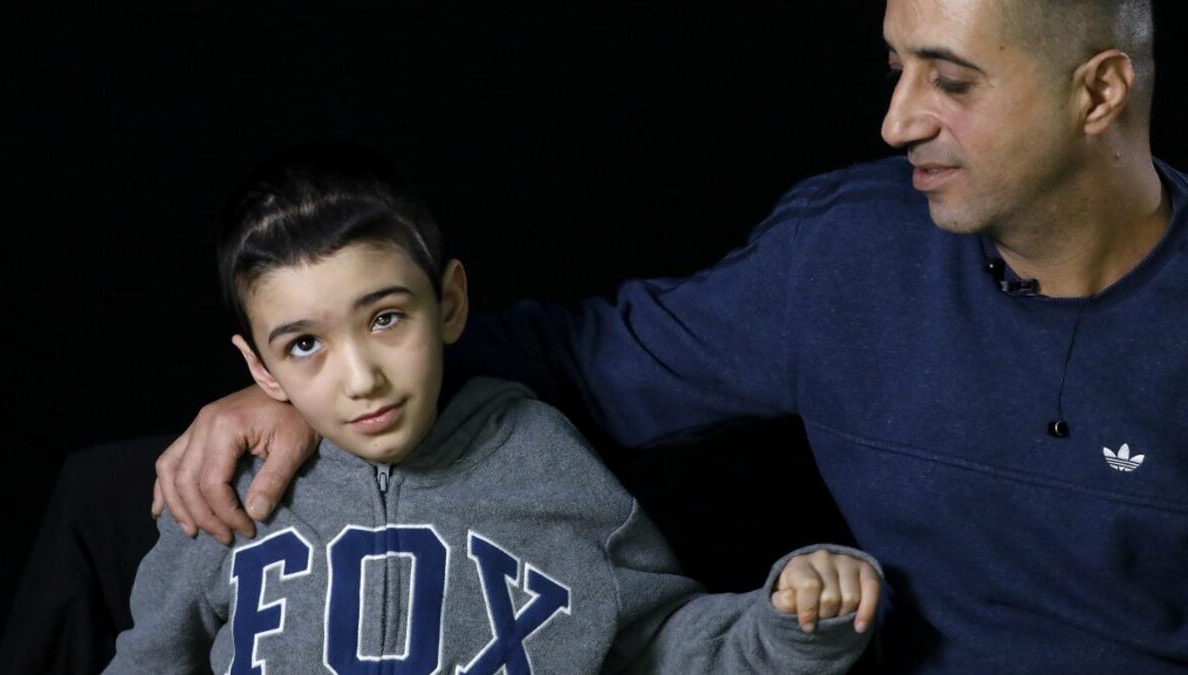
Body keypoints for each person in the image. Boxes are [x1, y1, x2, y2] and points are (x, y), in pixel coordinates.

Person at [151, 0, 1188, 672]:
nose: (896, 121)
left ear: (1099, 91)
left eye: (950, 82)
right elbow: (578, 358)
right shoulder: (847, 250)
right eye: (894, 67)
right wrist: (290, 392)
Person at [105, 149, 883, 673]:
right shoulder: (227, 492)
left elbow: (662, 645)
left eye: (385, 318)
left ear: (448, 302)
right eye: (304, 343)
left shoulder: (543, 458)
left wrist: (796, 616)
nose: (361, 379)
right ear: (258, 367)